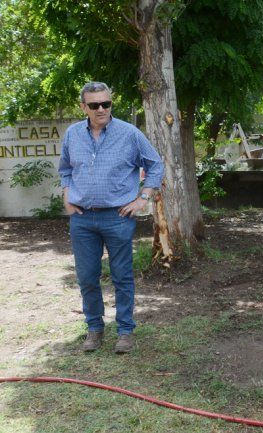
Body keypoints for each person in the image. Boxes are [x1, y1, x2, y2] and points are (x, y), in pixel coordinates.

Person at [58, 81, 164, 354]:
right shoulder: (72, 135)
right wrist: (67, 196)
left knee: (122, 277)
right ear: (84, 107)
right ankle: (94, 329)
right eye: (94, 105)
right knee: (87, 277)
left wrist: (143, 198)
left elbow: (155, 164)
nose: (101, 109)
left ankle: (125, 331)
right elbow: (66, 169)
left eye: (106, 103)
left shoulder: (129, 134)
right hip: (82, 220)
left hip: (118, 217)